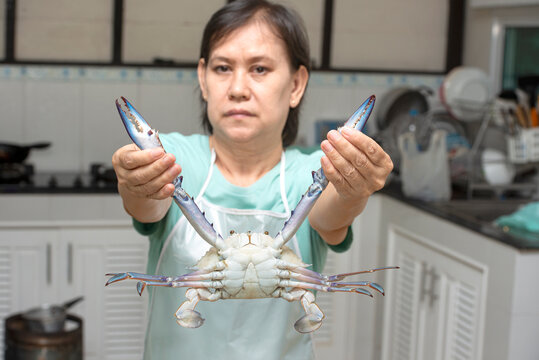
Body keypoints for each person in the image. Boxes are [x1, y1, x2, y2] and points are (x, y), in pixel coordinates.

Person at [111, 0, 393, 359]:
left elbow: (332, 214)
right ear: (203, 78)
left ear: (296, 84)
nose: (238, 88)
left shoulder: (315, 174)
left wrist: (354, 190)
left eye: (259, 68)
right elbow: (147, 204)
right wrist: (137, 182)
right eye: (223, 68)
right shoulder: (172, 159)